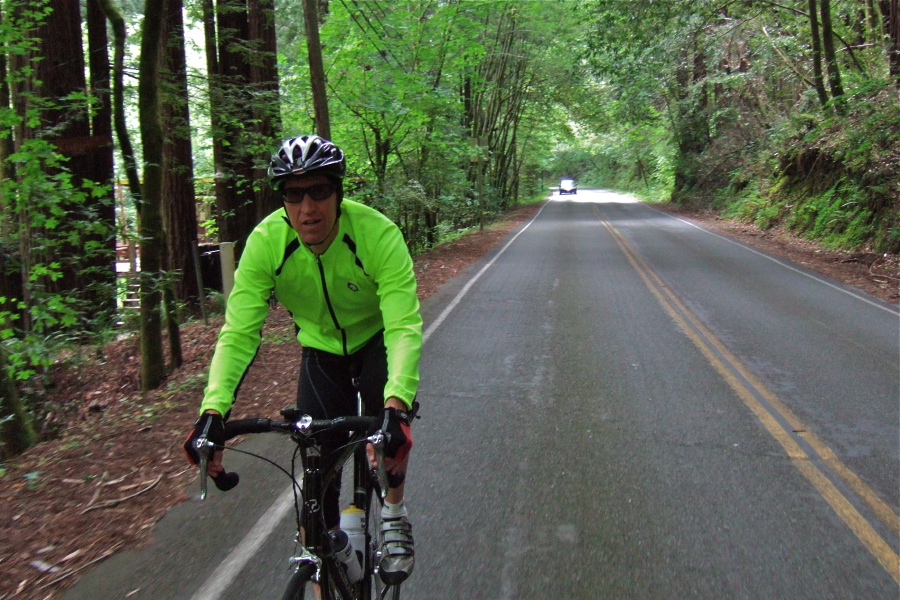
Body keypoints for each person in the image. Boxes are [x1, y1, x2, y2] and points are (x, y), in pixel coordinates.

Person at [183, 135, 421, 584]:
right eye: (294, 194)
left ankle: (393, 512)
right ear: (283, 200)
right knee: (316, 466)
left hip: (377, 342)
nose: (308, 207)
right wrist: (212, 413)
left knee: (388, 436)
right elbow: (238, 331)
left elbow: (403, 326)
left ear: (339, 192)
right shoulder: (266, 243)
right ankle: (326, 564)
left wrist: (396, 405)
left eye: (319, 191)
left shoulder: (377, 234)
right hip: (320, 350)